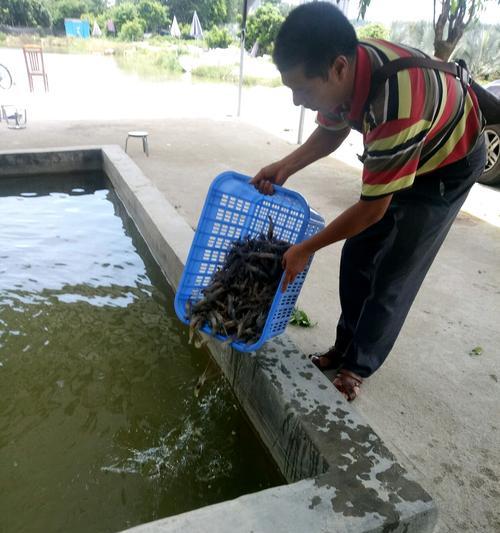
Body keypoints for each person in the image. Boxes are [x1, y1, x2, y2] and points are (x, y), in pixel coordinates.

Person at [250, 2, 486, 401]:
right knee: (358, 253)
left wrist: (305, 249)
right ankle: (343, 348)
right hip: (406, 149)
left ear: (338, 67)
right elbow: (334, 127)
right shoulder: (351, 67)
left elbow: (373, 208)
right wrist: (285, 165)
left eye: (302, 90)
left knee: (395, 267)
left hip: (447, 164)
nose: (295, 102)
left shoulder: (394, 102)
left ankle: (357, 366)